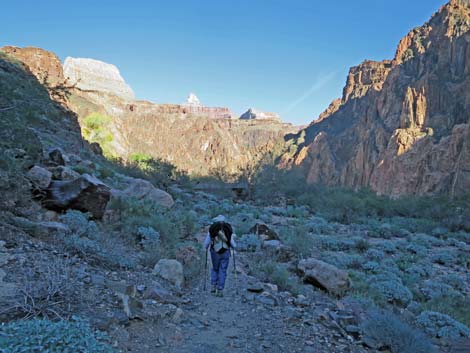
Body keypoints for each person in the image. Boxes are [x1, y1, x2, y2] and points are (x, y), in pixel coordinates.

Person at [204, 215, 236, 297]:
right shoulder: (228, 229)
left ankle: (213, 286)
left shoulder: (212, 229)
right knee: (223, 270)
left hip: (215, 252)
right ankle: (220, 289)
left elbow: (206, 244)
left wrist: (206, 247)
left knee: (215, 268)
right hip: (225, 252)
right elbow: (233, 244)